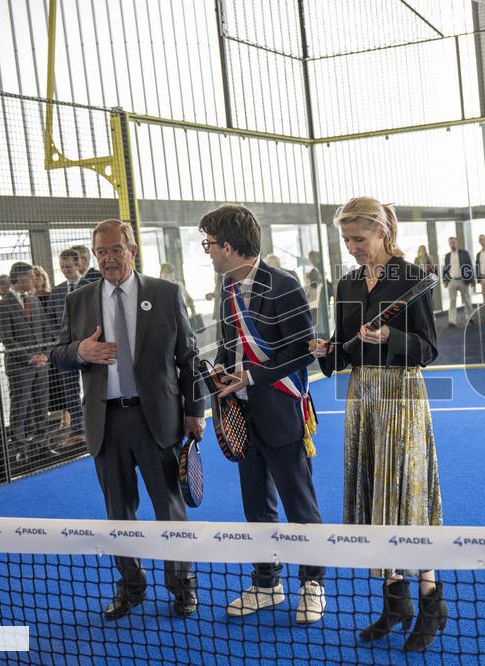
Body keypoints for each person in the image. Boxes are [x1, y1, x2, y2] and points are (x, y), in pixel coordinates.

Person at [310, 197, 446, 652]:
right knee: (372, 492)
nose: (352, 248)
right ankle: (394, 600)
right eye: (346, 240)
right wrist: (327, 351)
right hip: (361, 397)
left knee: (408, 494)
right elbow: (346, 349)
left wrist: (391, 336)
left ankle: (430, 599)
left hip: (401, 395)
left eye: (359, 239)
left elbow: (427, 349)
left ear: (383, 233)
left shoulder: (412, 279)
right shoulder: (347, 284)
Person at [50, 219, 204, 621]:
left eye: (115, 250)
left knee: (169, 510)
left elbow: (188, 359)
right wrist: (81, 352)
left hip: (158, 419)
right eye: (100, 251)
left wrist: (194, 412)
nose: (107, 258)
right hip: (106, 423)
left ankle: (181, 587)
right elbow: (58, 355)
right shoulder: (79, 300)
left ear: (132, 250)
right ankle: (132, 587)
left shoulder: (166, 294)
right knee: (119, 511)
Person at [199, 204, 326, 624]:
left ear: (230, 247)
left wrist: (250, 377)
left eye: (210, 245)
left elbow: (300, 352)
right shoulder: (227, 288)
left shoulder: (284, 285)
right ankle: (267, 583)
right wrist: (220, 372)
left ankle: (312, 584)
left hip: (282, 408)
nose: (208, 252)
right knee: (256, 504)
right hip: (241, 412)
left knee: (298, 503)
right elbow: (228, 345)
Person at [0, 262, 51, 463]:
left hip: (42, 365)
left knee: (41, 405)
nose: (34, 280)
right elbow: (7, 337)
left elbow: (46, 330)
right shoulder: (1, 306)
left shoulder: (34, 302)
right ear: (18, 279)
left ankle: (42, 443)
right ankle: (20, 448)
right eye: (30, 276)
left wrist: (44, 355)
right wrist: (29, 357)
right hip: (20, 367)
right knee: (20, 407)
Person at [46, 249, 88, 449]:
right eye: (62, 267)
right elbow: (52, 322)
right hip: (66, 350)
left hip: (89, 347)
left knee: (93, 389)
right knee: (70, 392)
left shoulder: (92, 287)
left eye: (69, 267)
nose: (65, 271)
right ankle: (79, 432)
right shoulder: (56, 292)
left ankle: (95, 428)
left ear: (78, 264)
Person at [442, 237, 474, 327]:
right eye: (450, 243)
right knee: (452, 301)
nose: (452, 244)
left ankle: (470, 317)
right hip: (452, 281)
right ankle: (452, 321)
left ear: (457, 243)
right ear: (449, 244)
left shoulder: (464, 253)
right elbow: (445, 269)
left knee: (467, 300)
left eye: (453, 242)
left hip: (463, 280)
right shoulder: (447, 255)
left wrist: (472, 280)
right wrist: (445, 280)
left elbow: (469, 267)